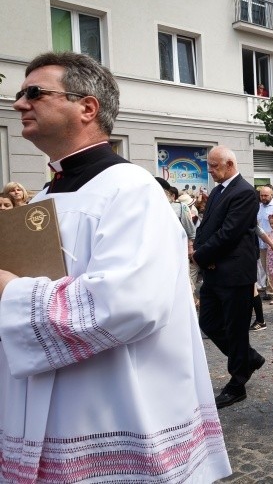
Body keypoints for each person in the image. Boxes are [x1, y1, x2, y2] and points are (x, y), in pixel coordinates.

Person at [0, 51, 230, 481]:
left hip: (107, 408)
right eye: (18, 94)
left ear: (87, 107)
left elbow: (129, 303)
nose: (19, 104)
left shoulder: (131, 189)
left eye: (34, 92)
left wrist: (10, 293)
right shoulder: (41, 198)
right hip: (43, 404)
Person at [194, 145, 263, 410]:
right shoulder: (218, 190)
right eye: (209, 165)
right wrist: (200, 250)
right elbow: (208, 226)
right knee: (209, 322)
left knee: (235, 330)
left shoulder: (244, 192)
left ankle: (237, 383)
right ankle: (249, 358)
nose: (209, 170)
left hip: (234, 273)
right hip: (213, 270)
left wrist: (199, 255)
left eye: (213, 166)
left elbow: (230, 233)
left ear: (230, 164)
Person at [256, 185, 273, 300]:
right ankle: (270, 288)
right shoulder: (258, 207)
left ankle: (271, 291)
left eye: (266, 195)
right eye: (261, 195)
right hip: (262, 243)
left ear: (271, 195)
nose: (263, 197)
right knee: (265, 266)